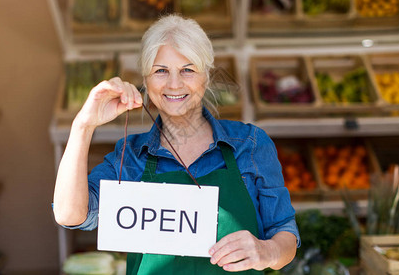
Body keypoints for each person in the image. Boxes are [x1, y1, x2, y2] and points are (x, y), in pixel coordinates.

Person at [53, 14, 300, 274]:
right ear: (146, 80)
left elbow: (285, 233)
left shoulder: (249, 145)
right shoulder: (130, 157)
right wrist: (83, 125)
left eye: (188, 70)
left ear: (206, 76)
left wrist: (268, 251)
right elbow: (70, 215)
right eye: (161, 71)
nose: (174, 84)